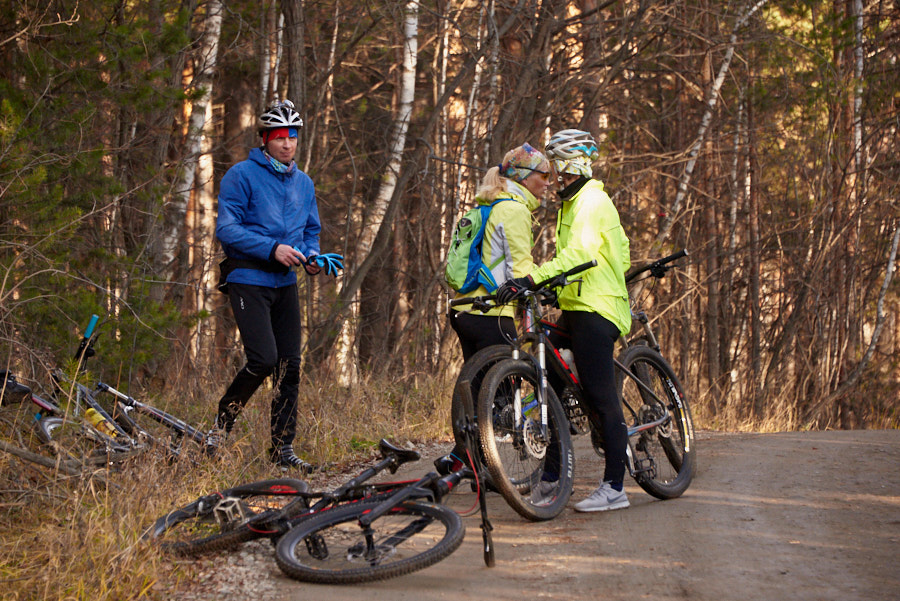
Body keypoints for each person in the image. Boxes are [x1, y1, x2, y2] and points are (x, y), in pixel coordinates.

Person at [496, 129, 632, 512]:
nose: (560, 179)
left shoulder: (592, 202)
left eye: (566, 172)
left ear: (581, 167)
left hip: (598, 309)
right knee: (550, 383)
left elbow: (581, 253)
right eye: (558, 172)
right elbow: (600, 254)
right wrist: (556, 288)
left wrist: (531, 278)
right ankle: (553, 477)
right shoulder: (570, 205)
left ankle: (614, 487)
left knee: (601, 396)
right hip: (578, 305)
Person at [209, 99, 322, 473]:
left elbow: (309, 232)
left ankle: (282, 449)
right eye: (278, 137)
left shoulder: (303, 182)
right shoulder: (241, 175)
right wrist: (272, 249)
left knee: (290, 367)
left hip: (285, 283)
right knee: (263, 359)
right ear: (264, 139)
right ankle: (219, 428)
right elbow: (227, 228)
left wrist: (313, 257)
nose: (287, 144)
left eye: (292, 136)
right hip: (248, 278)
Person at [435, 142, 554, 474]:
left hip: (463, 309)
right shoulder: (514, 210)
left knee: (477, 390)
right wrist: (545, 283)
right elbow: (520, 269)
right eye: (543, 175)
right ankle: (488, 467)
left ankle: (464, 459)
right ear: (524, 177)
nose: (548, 182)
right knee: (501, 392)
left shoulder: (485, 206)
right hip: (492, 312)